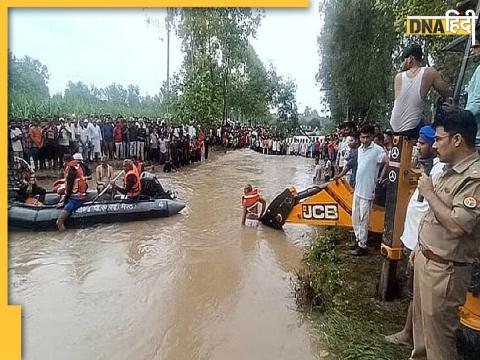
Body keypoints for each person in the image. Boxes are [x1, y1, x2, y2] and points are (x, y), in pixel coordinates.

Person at [411, 110, 480, 359]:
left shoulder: (474, 178)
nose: (435, 144)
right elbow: (435, 216)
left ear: (458, 139)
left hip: (445, 272)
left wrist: (429, 192)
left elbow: (456, 226)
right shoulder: (449, 170)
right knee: (422, 338)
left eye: (439, 139)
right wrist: (420, 247)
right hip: (427, 261)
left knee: (439, 344)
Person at [384, 125, 444, 347]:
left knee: (417, 294)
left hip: (421, 244)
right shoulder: (427, 169)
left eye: (423, 143)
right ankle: (411, 333)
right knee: (414, 292)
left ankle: (409, 335)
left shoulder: (439, 173)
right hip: (412, 241)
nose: (418, 145)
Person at [390, 43, 451, 137]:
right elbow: (446, 93)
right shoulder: (430, 72)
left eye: (403, 60)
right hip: (412, 128)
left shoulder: (398, 77)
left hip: (393, 127)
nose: (402, 64)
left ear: (410, 59)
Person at [350, 125, 388, 256]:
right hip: (358, 189)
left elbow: (388, 161)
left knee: (364, 219)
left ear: (372, 137)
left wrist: (381, 177)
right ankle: (358, 239)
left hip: (368, 191)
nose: (364, 140)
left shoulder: (378, 150)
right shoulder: (360, 149)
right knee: (355, 217)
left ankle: (363, 246)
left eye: (367, 137)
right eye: (362, 137)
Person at [56, 154, 87, 231]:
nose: (63, 164)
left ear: (66, 161)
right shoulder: (77, 166)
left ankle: (64, 239)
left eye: (64, 162)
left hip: (76, 199)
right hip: (78, 195)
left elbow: (69, 188)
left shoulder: (72, 171)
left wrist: (65, 200)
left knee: (59, 221)